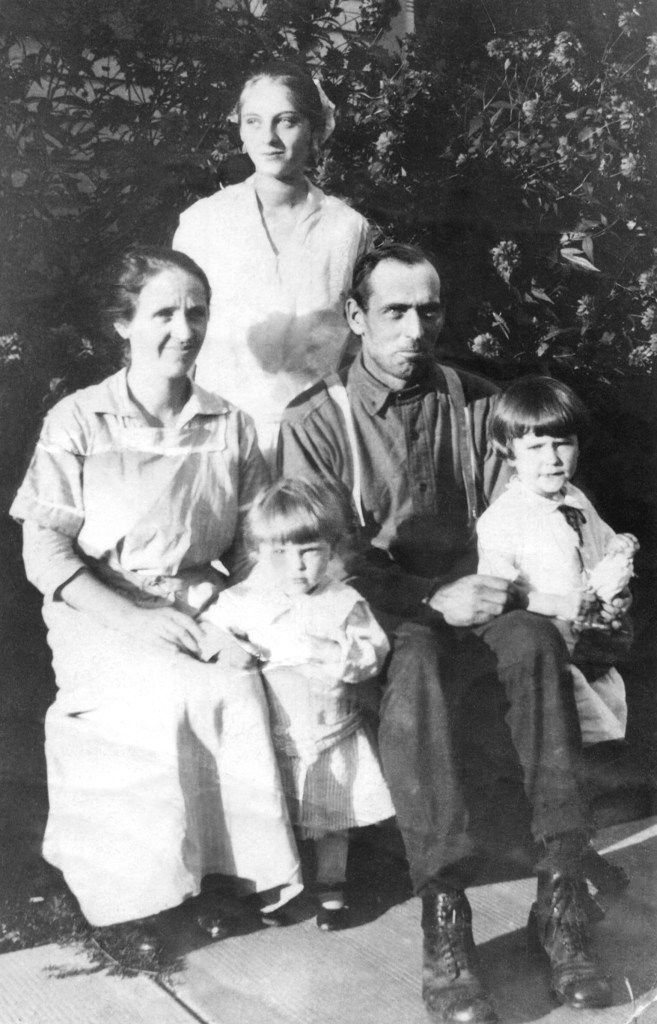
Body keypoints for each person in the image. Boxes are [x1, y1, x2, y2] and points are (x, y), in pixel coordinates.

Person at [278, 242, 615, 1022]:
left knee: (534, 639)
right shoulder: (317, 420)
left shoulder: (473, 400)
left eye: (428, 310)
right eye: (393, 311)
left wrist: (572, 583)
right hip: (387, 616)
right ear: (356, 318)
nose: (414, 329)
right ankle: (445, 918)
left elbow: (533, 500)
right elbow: (325, 557)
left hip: (493, 606)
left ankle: (560, 897)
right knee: (417, 664)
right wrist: (430, 598)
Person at [10, 247, 301, 967]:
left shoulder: (228, 424)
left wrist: (233, 619)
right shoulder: (79, 419)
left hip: (205, 600)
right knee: (153, 696)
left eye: (195, 312)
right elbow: (46, 556)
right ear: (124, 324)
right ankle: (127, 900)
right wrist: (137, 620)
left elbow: (256, 546)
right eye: (163, 313)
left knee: (240, 684)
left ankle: (226, 878)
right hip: (101, 609)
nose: (183, 329)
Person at [199, 478, 395, 930]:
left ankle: (332, 889)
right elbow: (212, 627)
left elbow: (372, 652)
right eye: (280, 553)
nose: (297, 566)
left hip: (330, 732)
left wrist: (337, 654)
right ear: (257, 552)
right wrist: (226, 646)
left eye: (309, 551)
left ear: (331, 548)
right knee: (278, 814)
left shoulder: (343, 601)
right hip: (274, 735)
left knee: (330, 819)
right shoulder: (244, 600)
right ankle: (283, 886)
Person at [477, 375, 635, 897]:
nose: (551, 458)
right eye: (536, 445)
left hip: (591, 652)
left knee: (592, 762)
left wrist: (616, 592)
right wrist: (561, 605)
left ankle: (579, 853)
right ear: (508, 451)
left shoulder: (578, 502)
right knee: (561, 755)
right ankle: (562, 862)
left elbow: (604, 550)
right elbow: (501, 591)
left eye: (562, 443)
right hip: (550, 660)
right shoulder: (504, 519)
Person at [173, 61, 371, 462]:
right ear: (241, 133)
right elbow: (178, 338)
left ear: (315, 131)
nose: (270, 138)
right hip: (220, 441)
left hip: (319, 442)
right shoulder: (203, 222)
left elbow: (358, 345)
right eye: (254, 121)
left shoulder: (347, 228)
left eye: (287, 121)